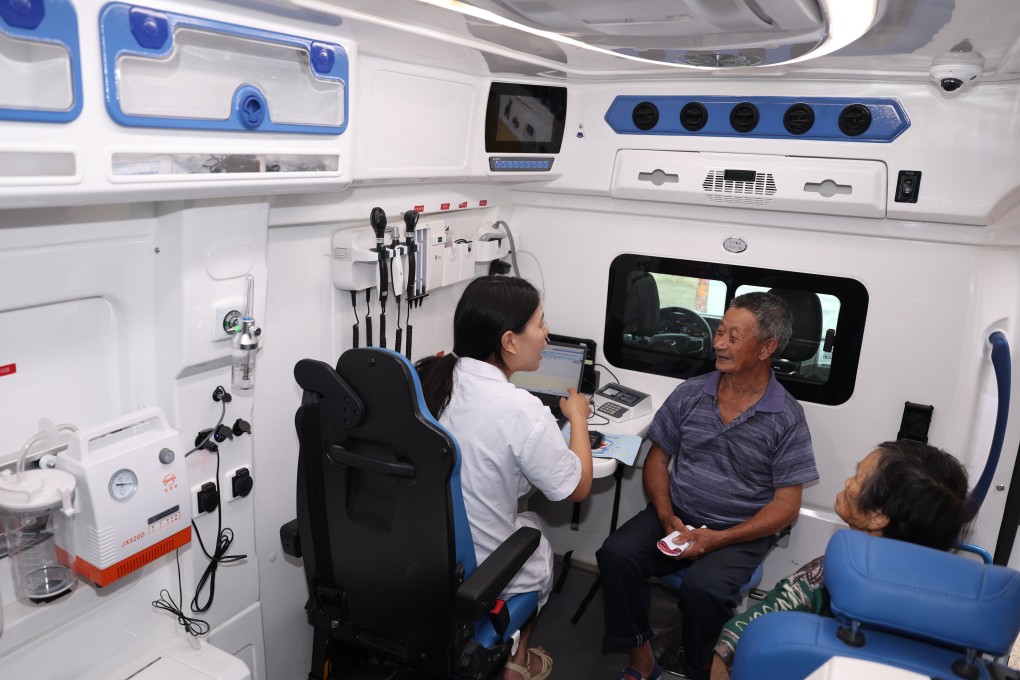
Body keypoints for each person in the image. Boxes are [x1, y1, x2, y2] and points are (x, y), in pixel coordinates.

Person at [597, 291, 818, 680]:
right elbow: (657, 460)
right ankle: (640, 656)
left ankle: (698, 667)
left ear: (767, 348)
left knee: (705, 588)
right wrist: (667, 517)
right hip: (679, 516)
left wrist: (719, 539)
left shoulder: (786, 417)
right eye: (719, 331)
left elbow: (786, 505)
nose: (718, 343)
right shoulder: (691, 393)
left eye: (734, 337)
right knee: (617, 554)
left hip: (739, 532)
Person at [415, 275, 593, 680]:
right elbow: (578, 486)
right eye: (540, 324)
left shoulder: (431, 379)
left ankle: (512, 656)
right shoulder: (523, 410)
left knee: (523, 519)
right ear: (509, 341)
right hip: (473, 567)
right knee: (536, 541)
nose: (547, 335)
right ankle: (517, 662)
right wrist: (577, 419)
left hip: (419, 551)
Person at [710, 439, 970, 679]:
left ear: (878, 516)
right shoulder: (959, 604)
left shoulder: (830, 573)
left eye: (858, 477)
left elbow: (737, 639)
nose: (848, 483)